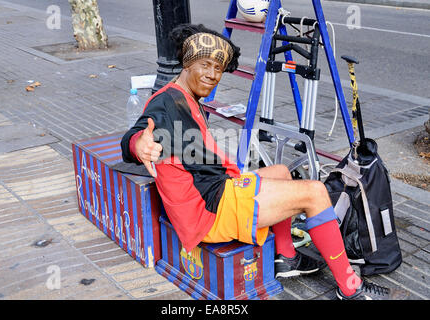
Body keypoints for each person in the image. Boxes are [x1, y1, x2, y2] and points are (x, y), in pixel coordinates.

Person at [121, 23, 406, 300]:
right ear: (186, 63)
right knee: (316, 192)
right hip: (209, 211)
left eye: (218, 68)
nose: (212, 74)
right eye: (204, 65)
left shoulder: (187, 95)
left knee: (282, 171)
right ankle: (350, 287)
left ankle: (286, 258)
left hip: (216, 191)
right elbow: (135, 135)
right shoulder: (168, 102)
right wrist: (139, 144)